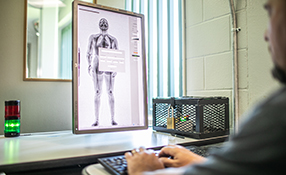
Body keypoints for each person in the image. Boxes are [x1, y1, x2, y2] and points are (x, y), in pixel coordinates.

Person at [124, 0, 286, 174]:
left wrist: (144, 171)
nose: (266, 35)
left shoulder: (278, 116)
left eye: (270, 14)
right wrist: (202, 163)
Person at [86, 18, 118, 126]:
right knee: (97, 92)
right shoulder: (93, 37)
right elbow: (88, 53)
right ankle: (96, 120)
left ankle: (113, 119)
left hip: (108, 64)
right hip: (97, 63)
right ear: (99, 25)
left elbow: (116, 55)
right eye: (101, 22)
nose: (103, 24)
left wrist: (115, 68)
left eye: (105, 22)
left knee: (110, 92)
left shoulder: (113, 39)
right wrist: (89, 64)